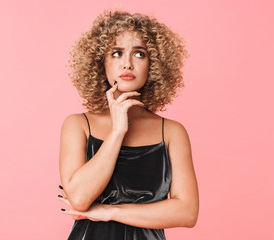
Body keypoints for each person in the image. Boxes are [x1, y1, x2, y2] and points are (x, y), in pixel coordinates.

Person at [58, 10, 199, 240]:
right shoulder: (78, 125)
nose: (127, 64)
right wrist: (117, 131)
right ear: (100, 62)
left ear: (154, 64)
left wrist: (109, 211)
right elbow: (80, 199)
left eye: (139, 54)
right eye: (116, 53)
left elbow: (187, 212)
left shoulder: (172, 132)